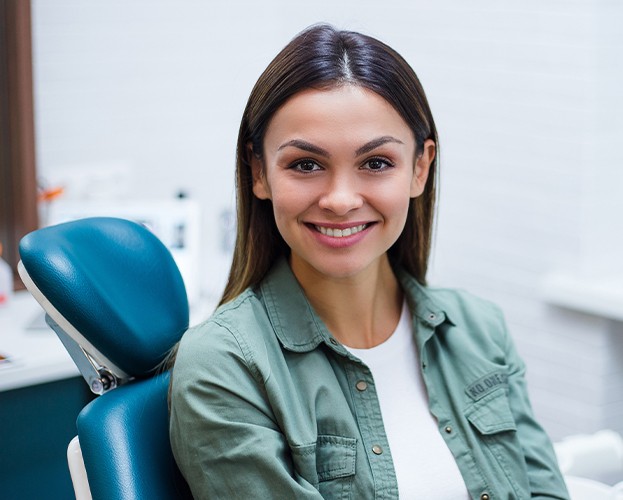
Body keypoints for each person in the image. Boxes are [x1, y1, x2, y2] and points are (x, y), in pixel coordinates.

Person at [169, 24, 569, 499]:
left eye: (376, 162)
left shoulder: (479, 329)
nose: (340, 200)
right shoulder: (223, 366)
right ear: (259, 172)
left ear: (420, 168)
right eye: (306, 164)